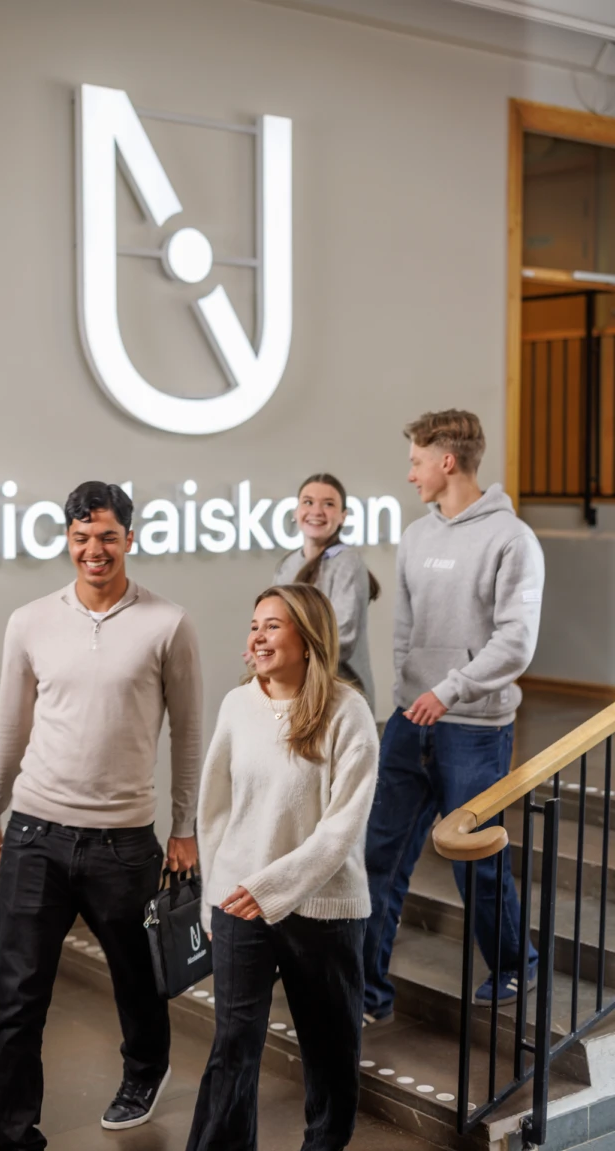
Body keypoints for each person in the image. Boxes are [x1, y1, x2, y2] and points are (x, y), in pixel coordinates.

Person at [0, 480, 202, 1149]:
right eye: (81, 538)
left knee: (139, 981)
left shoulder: (168, 623)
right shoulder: (29, 621)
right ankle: (15, 1136)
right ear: (68, 540)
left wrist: (185, 826)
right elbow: (10, 725)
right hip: (35, 833)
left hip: (124, 843)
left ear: (129, 538)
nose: (94, 550)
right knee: (16, 999)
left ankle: (146, 1072)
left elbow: (189, 733)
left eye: (107, 536)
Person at [363, 410, 544, 1026]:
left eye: (417, 461)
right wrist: (409, 690)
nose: (410, 473)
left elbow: (516, 642)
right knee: (379, 857)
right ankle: (368, 991)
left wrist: (449, 690)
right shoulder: (416, 536)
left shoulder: (512, 540)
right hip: (409, 720)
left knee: (476, 866)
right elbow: (405, 629)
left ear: (447, 461)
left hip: (475, 729)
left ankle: (516, 963)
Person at [188, 583, 379, 1151]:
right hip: (239, 903)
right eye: (254, 626)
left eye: (272, 625)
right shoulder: (237, 705)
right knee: (233, 1046)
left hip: (325, 907)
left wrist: (273, 887)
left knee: (330, 1050)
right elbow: (214, 811)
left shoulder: (348, 711)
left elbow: (342, 828)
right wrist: (213, 901)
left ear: (308, 635)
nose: (258, 637)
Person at [273, 473, 379, 713]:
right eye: (308, 502)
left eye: (328, 504)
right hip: (297, 696)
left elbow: (342, 639)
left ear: (343, 516)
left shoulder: (348, 563)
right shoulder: (287, 565)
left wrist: (284, 653)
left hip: (340, 700)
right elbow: (275, 625)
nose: (317, 511)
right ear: (296, 511)